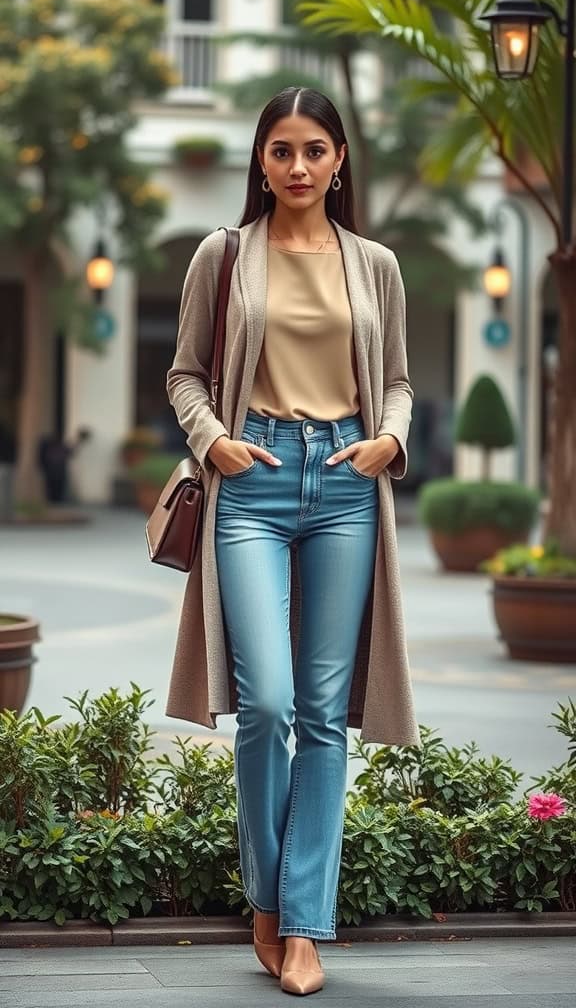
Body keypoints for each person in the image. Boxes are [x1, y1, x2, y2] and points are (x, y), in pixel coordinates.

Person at [165, 87, 420, 996]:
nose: (300, 166)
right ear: (261, 161)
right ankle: (266, 903)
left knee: (322, 712)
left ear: (340, 159)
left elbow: (395, 381)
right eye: (282, 150)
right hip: (254, 480)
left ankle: (302, 926)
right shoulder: (224, 256)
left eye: (316, 149)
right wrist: (212, 441)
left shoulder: (375, 264)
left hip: (347, 481)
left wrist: (390, 438)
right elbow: (185, 372)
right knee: (265, 702)